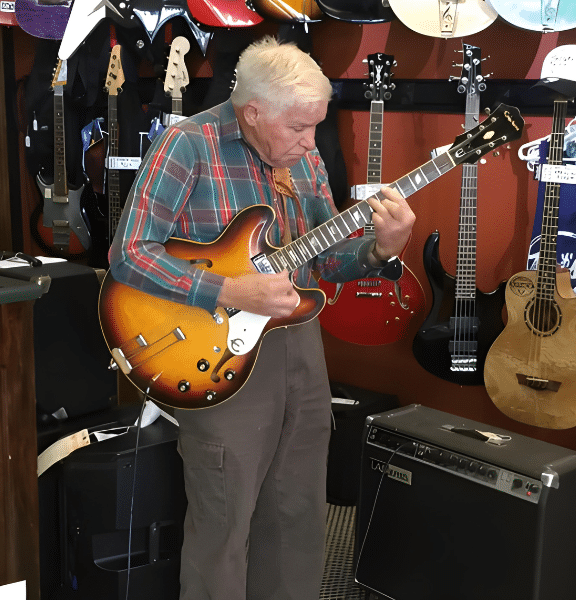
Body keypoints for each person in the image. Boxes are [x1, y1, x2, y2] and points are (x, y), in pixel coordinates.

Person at [108, 36, 416, 600]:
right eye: (298, 128)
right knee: (224, 520)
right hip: (213, 344)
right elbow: (129, 254)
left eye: (316, 126)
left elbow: (325, 258)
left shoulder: (304, 154)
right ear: (252, 112)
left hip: (298, 344)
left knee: (298, 508)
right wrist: (229, 287)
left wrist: (380, 250)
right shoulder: (187, 145)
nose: (309, 141)